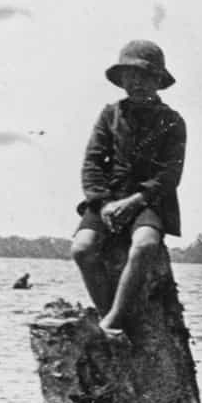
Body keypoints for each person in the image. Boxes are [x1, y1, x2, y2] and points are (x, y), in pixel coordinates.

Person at [70, 40, 187, 340]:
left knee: (146, 245)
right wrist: (104, 203)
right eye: (129, 76)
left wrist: (136, 201)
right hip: (109, 197)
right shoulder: (110, 115)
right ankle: (111, 317)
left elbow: (170, 174)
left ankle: (113, 320)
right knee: (82, 247)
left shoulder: (172, 122)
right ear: (120, 80)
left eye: (145, 76)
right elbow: (92, 163)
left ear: (159, 81)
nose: (136, 83)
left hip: (149, 200)